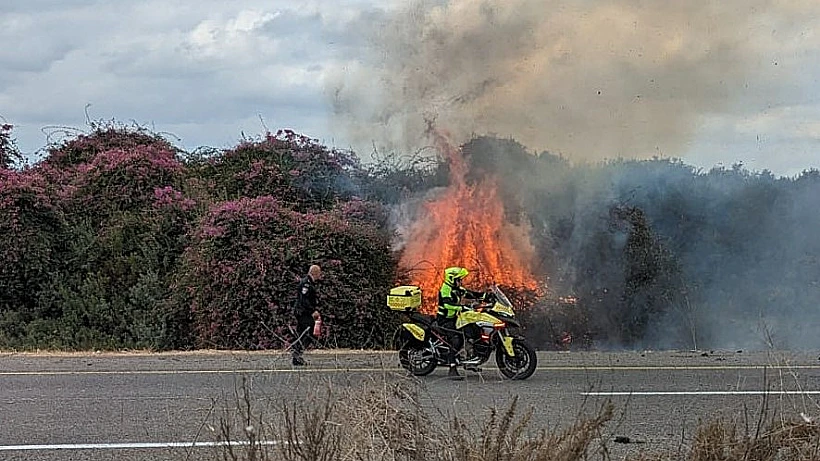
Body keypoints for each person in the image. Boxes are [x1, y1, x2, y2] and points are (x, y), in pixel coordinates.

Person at [437, 266, 486, 380]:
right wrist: (462, 307)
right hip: (445, 320)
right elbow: (447, 305)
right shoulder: (445, 289)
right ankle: (452, 368)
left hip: (455, 318)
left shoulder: (456, 288)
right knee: (456, 339)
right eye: (459, 279)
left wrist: (485, 296)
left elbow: (469, 293)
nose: (461, 281)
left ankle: (471, 360)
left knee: (472, 329)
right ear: (452, 279)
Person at [291, 264, 322, 366]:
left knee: (302, 333)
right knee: (309, 333)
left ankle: (297, 356)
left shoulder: (309, 282)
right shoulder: (306, 284)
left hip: (303, 312)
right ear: (315, 273)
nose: (320, 275)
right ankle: (297, 353)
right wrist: (313, 311)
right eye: (319, 273)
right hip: (303, 312)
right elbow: (304, 300)